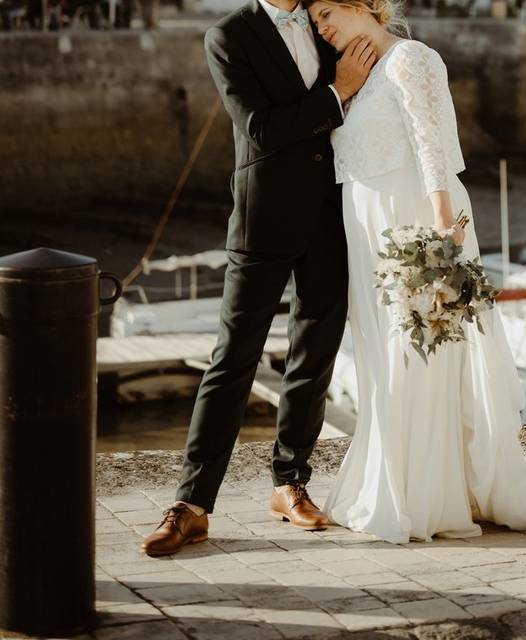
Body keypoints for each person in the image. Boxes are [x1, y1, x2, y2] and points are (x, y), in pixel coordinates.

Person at [141, 0, 376, 557]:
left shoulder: (327, 18)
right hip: (262, 220)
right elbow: (260, 129)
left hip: (333, 216)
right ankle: (191, 505)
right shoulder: (227, 36)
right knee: (233, 358)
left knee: (314, 353)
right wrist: (336, 93)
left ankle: (290, 482)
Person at [306, 0, 526, 543]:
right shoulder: (355, 76)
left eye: (325, 13)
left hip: (412, 217)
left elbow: (431, 143)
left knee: (420, 348)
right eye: (316, 22)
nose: (322, 28)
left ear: (361, 4)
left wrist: (442, 228)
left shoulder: (411, 58)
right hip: (367, 229)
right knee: (383, 352)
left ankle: (425, 494)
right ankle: (394, 478)